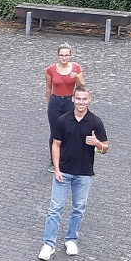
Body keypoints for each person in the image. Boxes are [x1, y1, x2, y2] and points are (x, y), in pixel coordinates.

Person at [38, 85, 108, 261]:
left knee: (78, 209)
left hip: (84, 173)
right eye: (78, 99)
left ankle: (71, 239)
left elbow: (105, 148)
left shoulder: (95, 122)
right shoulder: (62, 120)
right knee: (55, 209)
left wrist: (97, 144)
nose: (81, 102)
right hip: (64, 171)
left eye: (84, 99)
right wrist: (57, 168)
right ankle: (49, 244)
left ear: (89, 100)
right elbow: (56, 144)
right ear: (73, 99)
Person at [45, 43, 84, 173]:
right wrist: (49, 103)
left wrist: (76, 78)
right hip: (55, 101)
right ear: (57, 56)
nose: (64, 58)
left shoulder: (76, 68)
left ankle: (68, 160)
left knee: (70, 131)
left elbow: (81, 87)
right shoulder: (50, 69)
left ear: (70, 56)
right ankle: (53, 161)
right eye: (61, 55)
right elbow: (49, 88)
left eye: (66, 55)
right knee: (55, 132)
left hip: (69, 101)